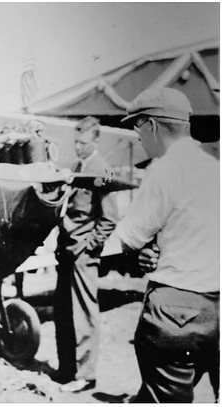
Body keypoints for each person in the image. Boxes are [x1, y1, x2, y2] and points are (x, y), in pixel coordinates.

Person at [112, 87, 219, 403]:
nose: (136, 133)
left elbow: (127, 238)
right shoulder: (215, 164)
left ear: (152, 126)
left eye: (137, 125)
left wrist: (134, 251)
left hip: (177, 312)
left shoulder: (164, 169)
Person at [54, 116, 118, 392]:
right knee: (63, 314)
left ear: (95, 140)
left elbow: (110, 217)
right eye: (76, 142)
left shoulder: (101, 169)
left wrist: (91, 245)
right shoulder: (79, 166)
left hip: (82, 254)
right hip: (67, 251)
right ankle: (67, 370)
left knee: (83, 315)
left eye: (82, 142)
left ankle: (86, 375)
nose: (78, 147)